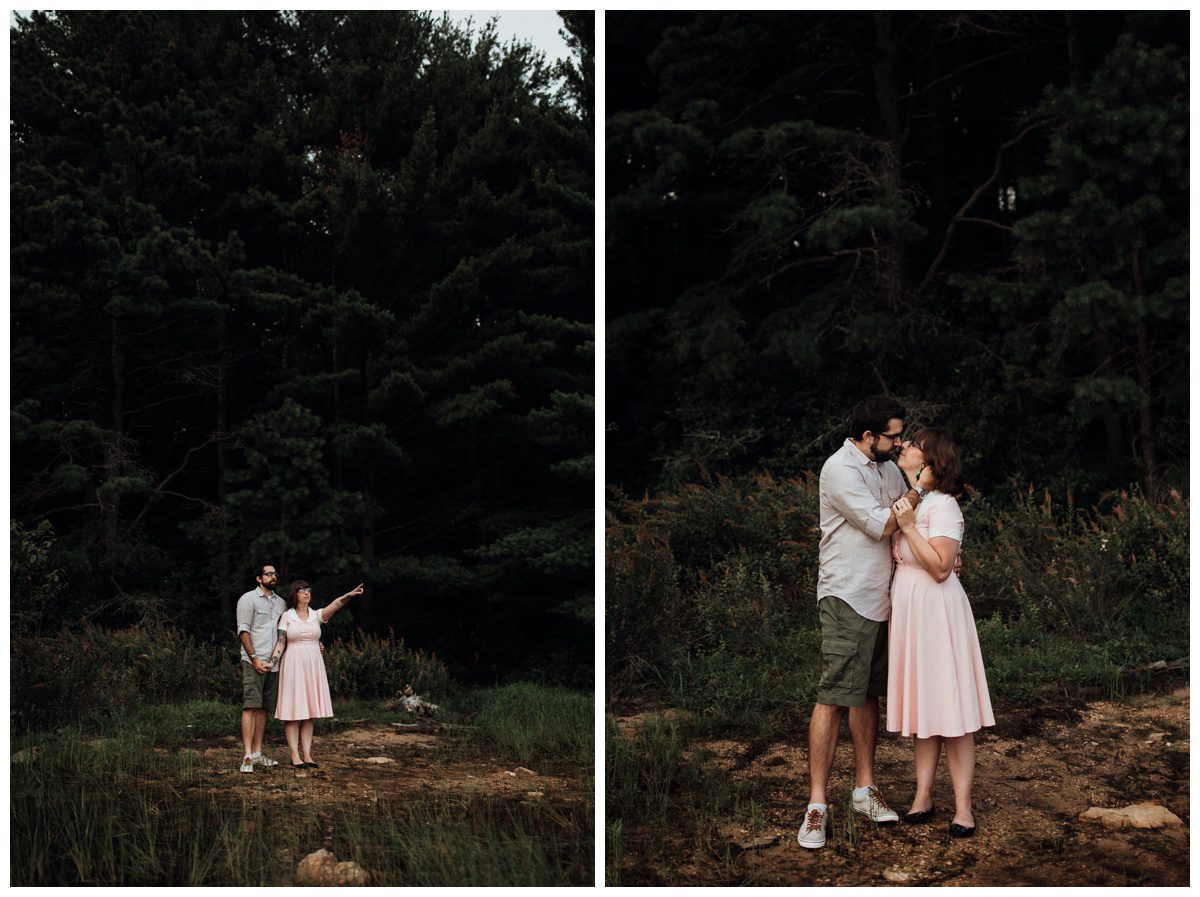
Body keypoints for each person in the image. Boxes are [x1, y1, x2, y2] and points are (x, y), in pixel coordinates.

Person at [798, 396, 931, 850]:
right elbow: (883, 525)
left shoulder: (886, 468)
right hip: (847, 596)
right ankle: (817, 805)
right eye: (892, 436)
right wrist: (919, 490)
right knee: (834, 696)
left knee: (868, 694)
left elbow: (910, 519)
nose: (898, 443)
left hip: (883, 599)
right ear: (868, 435)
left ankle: (864, 789)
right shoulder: (840, 470)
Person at [888, 429, 994, 837]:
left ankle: (963, 807)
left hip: (938, 613)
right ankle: (923, 796)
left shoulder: (944, 505)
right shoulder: (913, 499)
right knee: (924, 707)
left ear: (931, 462)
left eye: (914, 445)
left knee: (952, 707)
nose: (904, 446)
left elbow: (939, 568)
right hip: (911, 613)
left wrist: (909, 527)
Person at [267, 579, 365, 768]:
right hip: (293, 664)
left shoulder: (315, 615)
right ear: (294, 595)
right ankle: (294, 756)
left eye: (308, 590)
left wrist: (348, 596)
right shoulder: (287, 616)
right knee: (293, 712)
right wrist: (271, 663)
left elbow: (334, 605)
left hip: (313, 664)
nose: (306, 593)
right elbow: (281, 641)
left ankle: (307, 755)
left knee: (309, 713)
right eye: (301, 590)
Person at [235, 563, 287, 773]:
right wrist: (254, 658)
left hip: (272, 664)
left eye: (275, 573)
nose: (274, 576)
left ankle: (257, 753)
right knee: (251, 705)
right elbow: (243, 631)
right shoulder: (248, 599)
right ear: (259, 578)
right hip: (252, 661)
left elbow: (285, 633)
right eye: (269, 574)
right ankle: (247, 757)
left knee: (264, 707)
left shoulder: (281, 603)